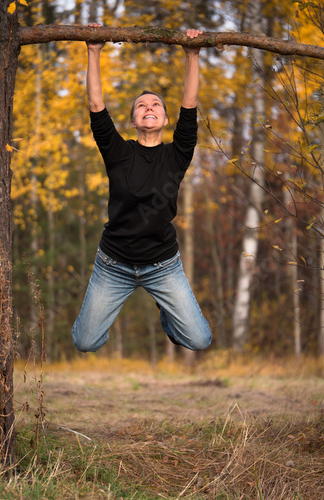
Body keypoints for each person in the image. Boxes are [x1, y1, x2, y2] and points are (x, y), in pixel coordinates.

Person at [72, 24, 212, 353]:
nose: (149, 107)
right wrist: (93, 50)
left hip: (162, 264)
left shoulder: (177, 155)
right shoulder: (118, 153)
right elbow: (96, 105)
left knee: (199, 339)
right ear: (133, 121)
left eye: (156, 105)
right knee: (85, 341)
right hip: (114, 263)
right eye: (141, 106)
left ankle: (167, 312)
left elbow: (190, 107)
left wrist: (192, 55)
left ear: (165, 119)